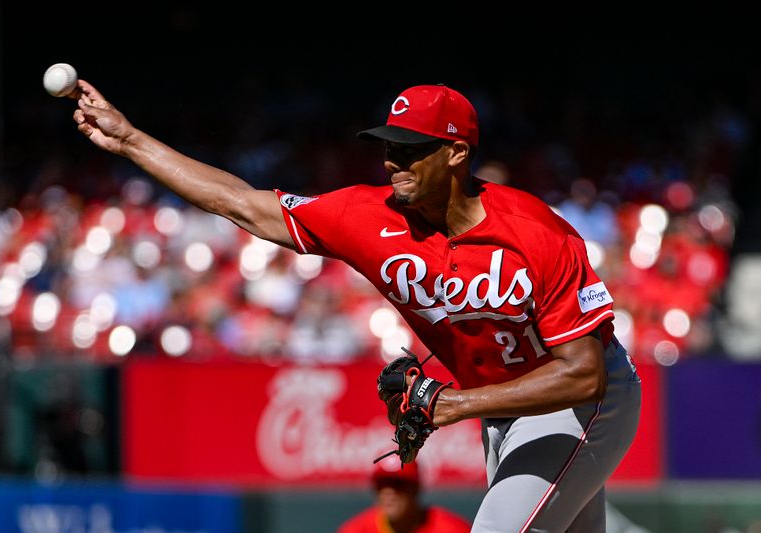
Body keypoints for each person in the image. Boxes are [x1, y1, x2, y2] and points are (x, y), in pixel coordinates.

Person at [71, 80, 642, 532]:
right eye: (389, 146)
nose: (393, 160)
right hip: (501, 406)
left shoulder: (535, 232)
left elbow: (583, 375)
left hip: (581, 402)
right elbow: (240, 203)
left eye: (412, 150)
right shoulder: (367, 216)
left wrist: (454, 405)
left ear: (457, 153)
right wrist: (129, 141)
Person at [337, 456, 471, 533]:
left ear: (416, 488)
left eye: (398, 484)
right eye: (382, 484)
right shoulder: (355, 530)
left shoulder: (452, 530)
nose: (388, 492)